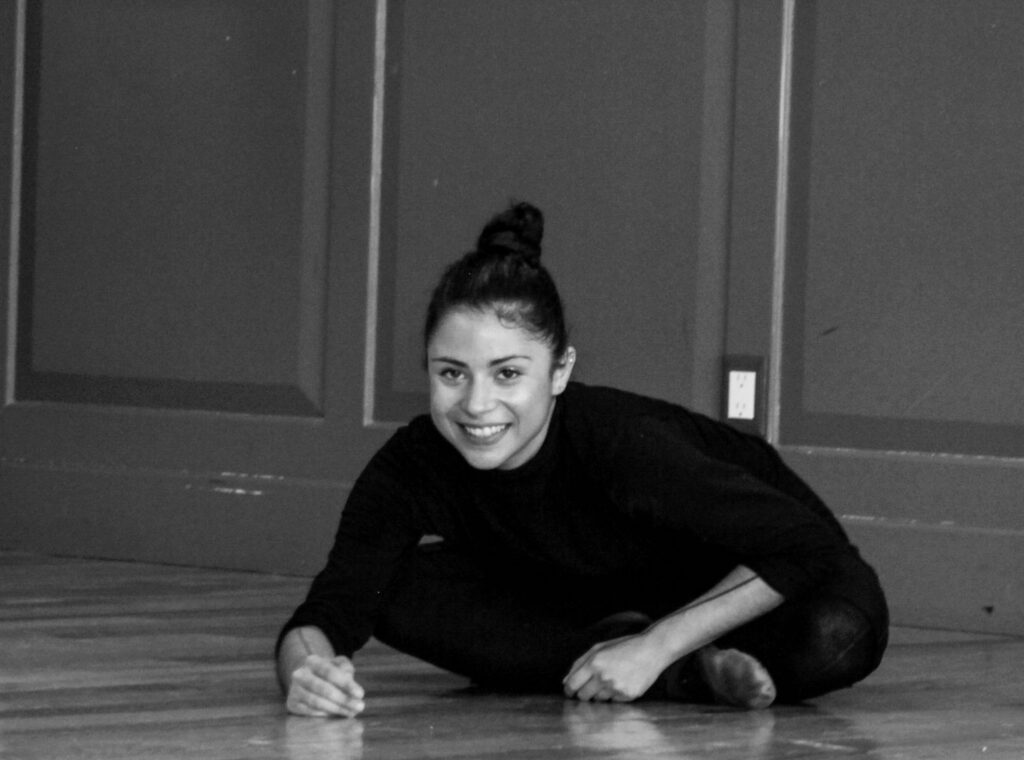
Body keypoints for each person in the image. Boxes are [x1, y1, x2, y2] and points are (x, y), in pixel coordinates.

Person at [276, 202, 888, 718]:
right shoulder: (412, 464)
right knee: (394, 586)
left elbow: (804, 549)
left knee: (836, 637)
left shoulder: (622, 440)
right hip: (593, 597)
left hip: (759, 583)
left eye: (508, 374)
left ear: (560, 370)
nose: (476, 404)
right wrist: (306, 672)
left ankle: (653, 661)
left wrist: (657, 645)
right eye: (452, 374)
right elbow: (328, 610)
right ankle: (656, 669)